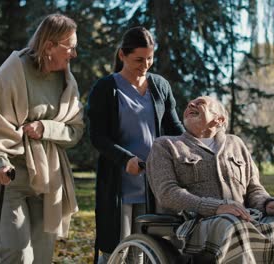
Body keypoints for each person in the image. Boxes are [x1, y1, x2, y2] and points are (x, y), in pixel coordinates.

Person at [146, 96, 274, 263]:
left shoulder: (236, 144)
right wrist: (216, 207)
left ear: (219, 119)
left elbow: (253, 188)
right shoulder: (166, 145)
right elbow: (167, 193)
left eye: (200, 103)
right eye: (190, 103)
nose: (191, 104)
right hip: (193, 226)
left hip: (245, 218)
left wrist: (268, 203)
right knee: (233, 223)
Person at [0, 13, 84, 264]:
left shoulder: (66, 81)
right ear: (49, 45)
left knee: (41, 257)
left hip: (47, 177)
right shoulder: (14, 70)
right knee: (18, 252)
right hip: (6, 173)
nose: (74, 54)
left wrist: (46, 128)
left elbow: (75, 130)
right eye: (70, 47)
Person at [87, 26, 185, 264]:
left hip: (153, 185)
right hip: (118, 185)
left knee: (144, 251)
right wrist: (125, 160)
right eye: (138, 59)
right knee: (115, 252)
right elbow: (98, 136)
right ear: (122, 55)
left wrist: (195, 146)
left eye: (150, 58)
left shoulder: (160, 86)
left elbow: (175, 128)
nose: (145, 65)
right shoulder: (105, 88)